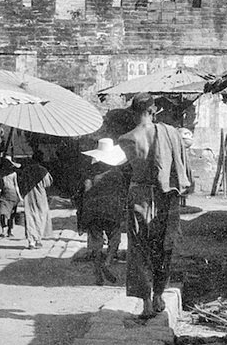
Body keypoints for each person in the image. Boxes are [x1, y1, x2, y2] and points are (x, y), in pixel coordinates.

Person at [118, 93, 191, 320]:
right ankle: (159, 295)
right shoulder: (170, 134)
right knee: (163, 247)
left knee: (139, 250)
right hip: (164, 195)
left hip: (139, 195)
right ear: (153, 111)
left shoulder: (127, 139)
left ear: (133, 111)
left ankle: (147, 303)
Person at [76, 138, 128, 285]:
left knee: (96, 243)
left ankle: (98, 271)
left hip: (93, 211)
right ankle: (108, 261)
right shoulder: (117, 173)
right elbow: (122, 193)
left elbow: (86, 190)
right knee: (115, 238)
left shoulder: (91, 171)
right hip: (112, 210)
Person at [18, 149, 53, 249]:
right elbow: (48, 183)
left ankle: (31, 241)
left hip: (28, 196)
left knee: (30, 216)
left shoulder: (26, 170)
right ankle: (38, 239)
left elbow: (21, 182)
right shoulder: (43, 171)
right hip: (40, 197)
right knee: (41, 216)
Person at [0, 156, 23, 237]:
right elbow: (0, 186)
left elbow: (16, 186)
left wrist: (20, 197)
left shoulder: (13, 174)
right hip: (4, 195)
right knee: (2, 213)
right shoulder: (1, 174)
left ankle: (9, 230)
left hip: (13, 195)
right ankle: (3, 229)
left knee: (11, 215)